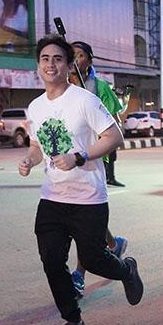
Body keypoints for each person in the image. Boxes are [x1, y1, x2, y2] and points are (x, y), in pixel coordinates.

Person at [18, 34, 143, 325]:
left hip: (88, 197)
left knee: (95, 259)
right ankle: (73, 322)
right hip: (53, 197)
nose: (51, 64)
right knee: (51, 259)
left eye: (58, 59)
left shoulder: (85, 100)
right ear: (38, 65)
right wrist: (29, 160)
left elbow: (114, 137)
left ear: (68, 65)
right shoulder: (35, 106)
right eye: (45, 58)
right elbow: (37, 146)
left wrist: (80, 156)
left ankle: (126, 269)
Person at [67, 40, 128, 297]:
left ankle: (79, 275)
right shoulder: (60, 89)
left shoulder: (99, 88)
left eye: (80, 56)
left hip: (91, 161)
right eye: (71, 56)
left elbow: (114, 125)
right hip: (66, 164)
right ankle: (114, 244)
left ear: (89, 61)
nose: (75, 60)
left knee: (82, 222)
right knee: (81, 218)